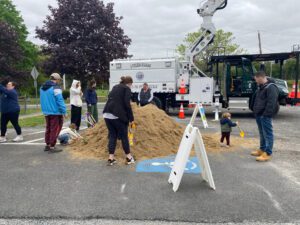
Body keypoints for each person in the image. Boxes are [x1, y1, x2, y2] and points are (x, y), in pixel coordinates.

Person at [103, 76, 135, 166]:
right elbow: (127, 104)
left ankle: (111, 158)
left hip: (107, 114)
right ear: (129, 83)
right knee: (124, 136)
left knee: (112, 135)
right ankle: (129, 157)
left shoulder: (115, 87)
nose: (131, 86)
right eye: (131, 85)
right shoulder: (126, 89)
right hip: (117, 116)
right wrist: (131, 119)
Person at [250, 71, 279, 162]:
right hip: (259, 114)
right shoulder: (261, 87)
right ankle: (262, 149)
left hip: (265, 115)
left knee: (268, 134)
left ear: (260, 77)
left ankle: (267, 153)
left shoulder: (271, 87)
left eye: (256, 80)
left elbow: (271, 103)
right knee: (262, 133)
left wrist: (266, 114)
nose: (256, 82)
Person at [40, 73, 67, 153]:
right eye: (59, 80)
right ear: (57, 79)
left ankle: (47, 145)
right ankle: (52, 146)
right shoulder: (56, 87)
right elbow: (60, 100)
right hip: (55, 112)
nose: (59, 81)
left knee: (48, 128)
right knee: (55, 128)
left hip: (46, 111)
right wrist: (64, 111)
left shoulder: (42, 87)